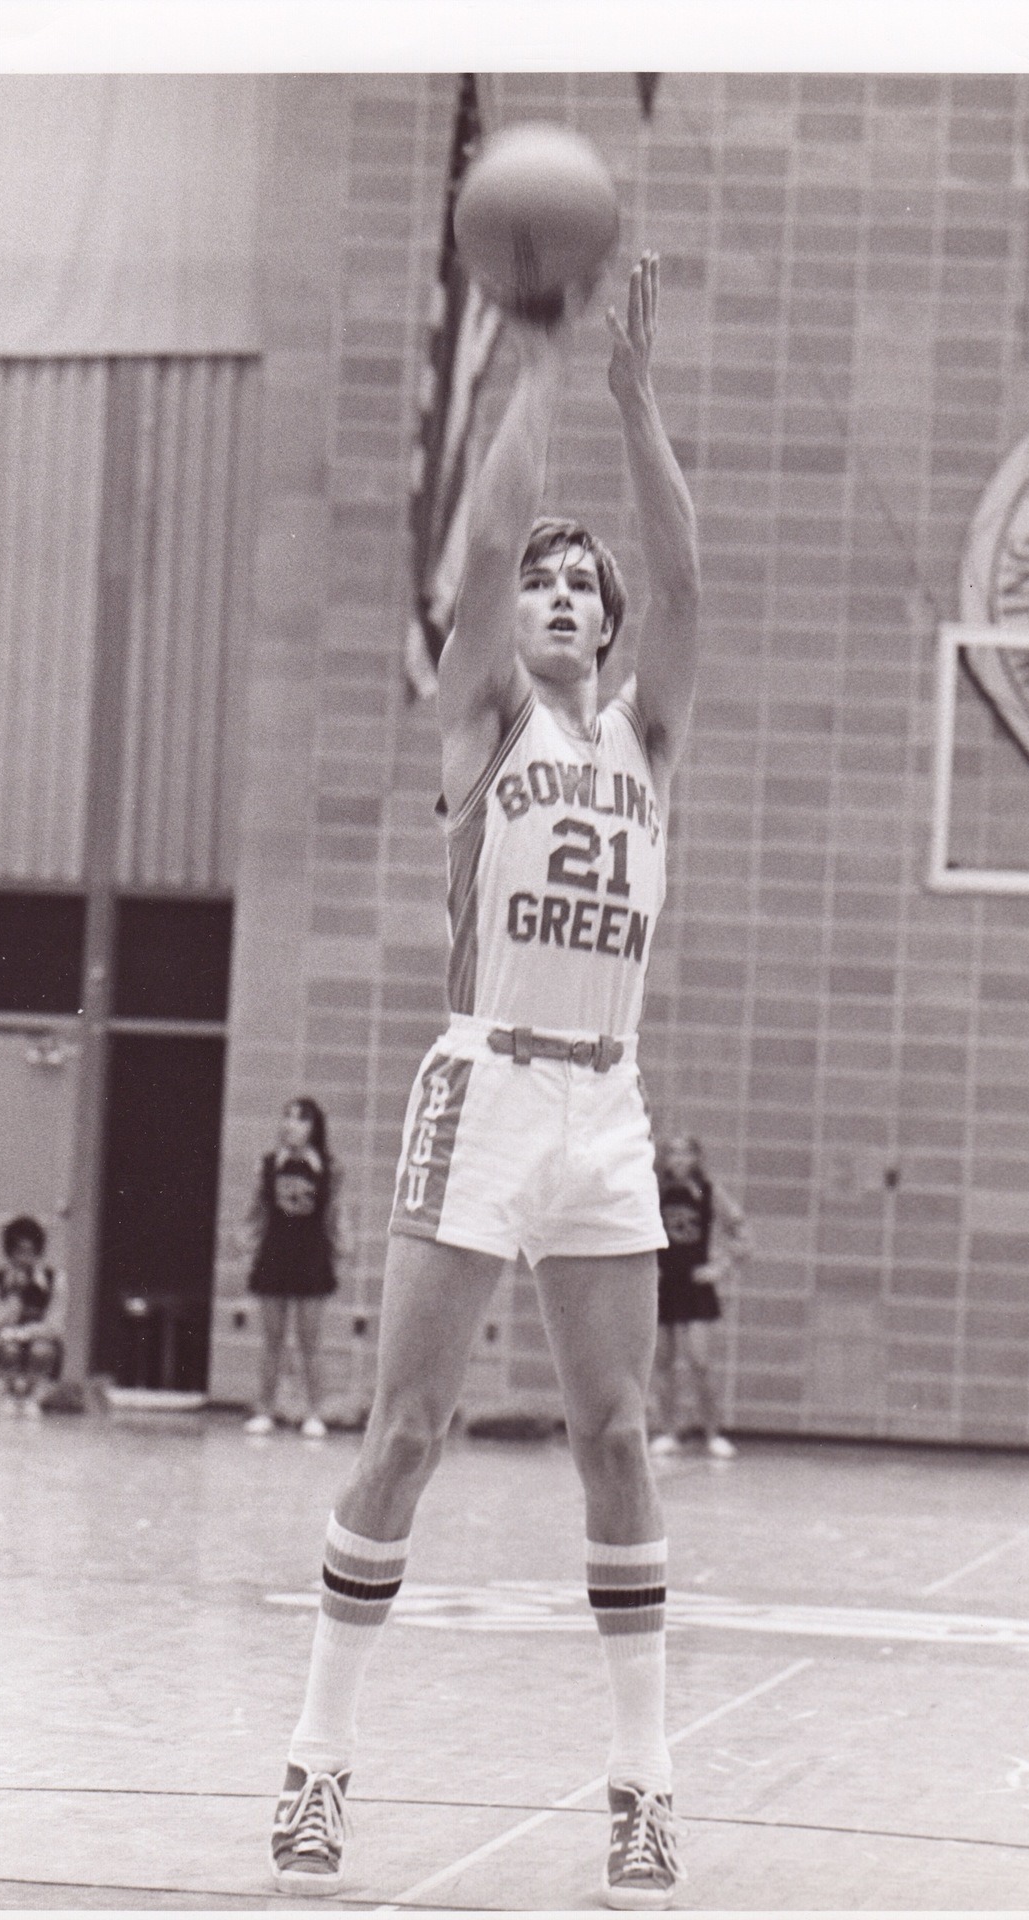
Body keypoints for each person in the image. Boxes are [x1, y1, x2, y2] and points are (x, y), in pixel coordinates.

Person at [267, 254, 700, 1909]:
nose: (565, 592)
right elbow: (469, 576)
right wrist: (527, 375)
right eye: (544, 584)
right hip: (485, 1087)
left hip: (605, 1105)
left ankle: (641, 1786)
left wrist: (632, 396)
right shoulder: (484, 728)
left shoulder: (642, 740)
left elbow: (686, 581)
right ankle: (316, 1766)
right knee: (410, 1430)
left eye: (580, 584)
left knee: (614, 1431)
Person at [241, 1098, 341, 1438]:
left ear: (313, 1127)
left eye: (300, 1119)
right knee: (272, 1340)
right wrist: (244, 1240)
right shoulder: (268, 1165)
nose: (291, 1125)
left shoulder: (328, 1167)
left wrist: (342, 1246)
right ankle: (266, 1409)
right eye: (286, 1117)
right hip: (274, 1254)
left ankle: (315, 1412)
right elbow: (256, 1211)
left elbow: (334, 1216)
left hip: (311, 1256)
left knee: (310, 1341)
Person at [649, 1134, 749, 1460]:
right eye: (672, 1154)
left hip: (695, 1283)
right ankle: (669, 1431)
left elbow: (741, 1231)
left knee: (700, 1362)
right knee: (662, 1362)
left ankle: (712, 1433)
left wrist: (720, 1267)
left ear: (695, 1158)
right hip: (663, 1283)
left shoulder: (708, 1191)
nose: (678, 1161)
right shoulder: (655, 1192)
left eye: (685, 1155)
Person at [0, 1215, 67, 1418]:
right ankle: (9, 1394)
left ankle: (33, 1397)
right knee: (7, 1349)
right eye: (19, 1252)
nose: (24, 1259)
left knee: (41, 1350)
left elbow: (54, 1324)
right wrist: (14, 1295)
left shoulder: (56, 1280)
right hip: (8, 1339)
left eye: (30, 1252)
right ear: (9, 1253)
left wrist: (25, 1333)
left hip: (40, 1338)